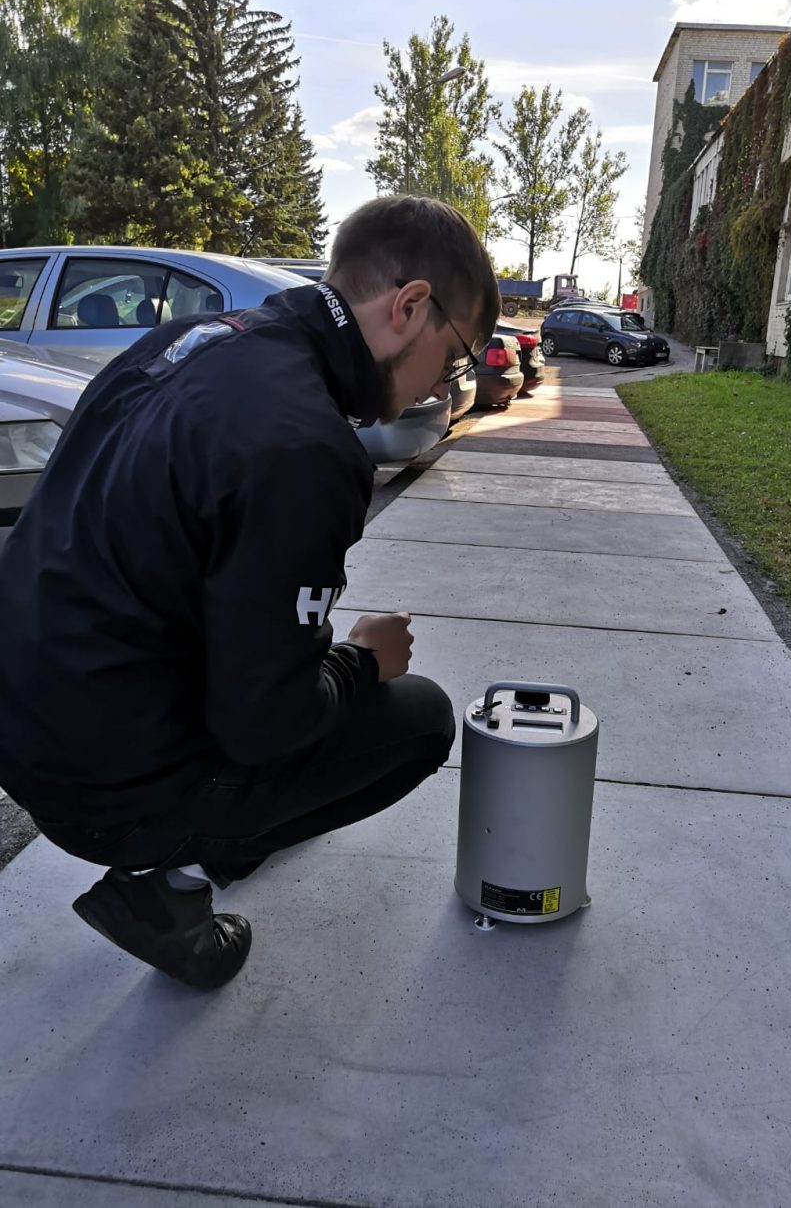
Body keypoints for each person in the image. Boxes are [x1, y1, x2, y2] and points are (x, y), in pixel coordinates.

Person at [0, 196, 500, 989]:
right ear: (409, 307)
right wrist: (361, 664)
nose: (449, 377)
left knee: (303, 680)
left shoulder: (187, 341)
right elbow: (266, 723)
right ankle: (167, 884)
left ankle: (209, 829)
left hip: (26, 731)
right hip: (99, 789)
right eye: (458, 353)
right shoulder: (305, 444)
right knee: (420, 718)